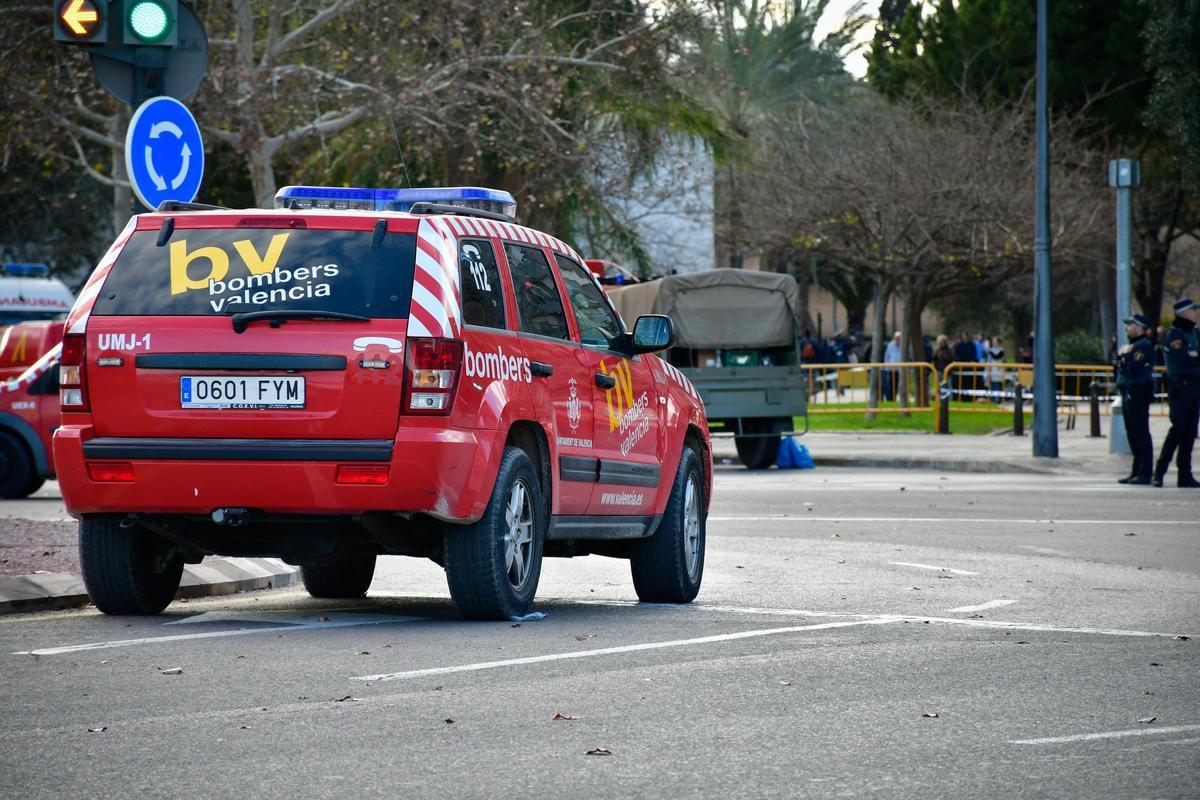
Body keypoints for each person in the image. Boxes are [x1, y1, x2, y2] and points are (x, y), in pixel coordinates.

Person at [1152, 298, 1200, 488]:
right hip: (1180, 388)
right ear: (1183, 313)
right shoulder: (1174, 335)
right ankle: (1160, 471)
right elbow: (1182, 362)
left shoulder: (1194, 333)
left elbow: (1194, 358)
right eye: (1192, 310)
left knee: (1190, 432)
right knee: (1177, 429)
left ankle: (1185, 474)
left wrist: (1195, 356)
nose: (1195, 313)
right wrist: (1194, 357)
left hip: (1195, 387)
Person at [1115, 314, 1156, 485]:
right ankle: (1136, 470)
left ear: (1139, 328)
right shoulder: (1133, 346)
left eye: (1130, 325)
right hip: (1129, 392)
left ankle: (1144, 472)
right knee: (1132, 433)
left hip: (1138, 393)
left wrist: (1124, 356)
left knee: (1140, 433)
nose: (1127, 328)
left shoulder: (1143, 346)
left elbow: (1134, 370)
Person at [883, 331, 901, 402]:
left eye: (899, 338)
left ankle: (895, 398)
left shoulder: (903, 345)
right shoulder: (890, 345)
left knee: (897, 385)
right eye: (897, 338)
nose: (898, 339)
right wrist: (886, 366)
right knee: (890, 385)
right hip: (891, 369)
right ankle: (890, 399)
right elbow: (887, 356)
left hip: (899, 369)